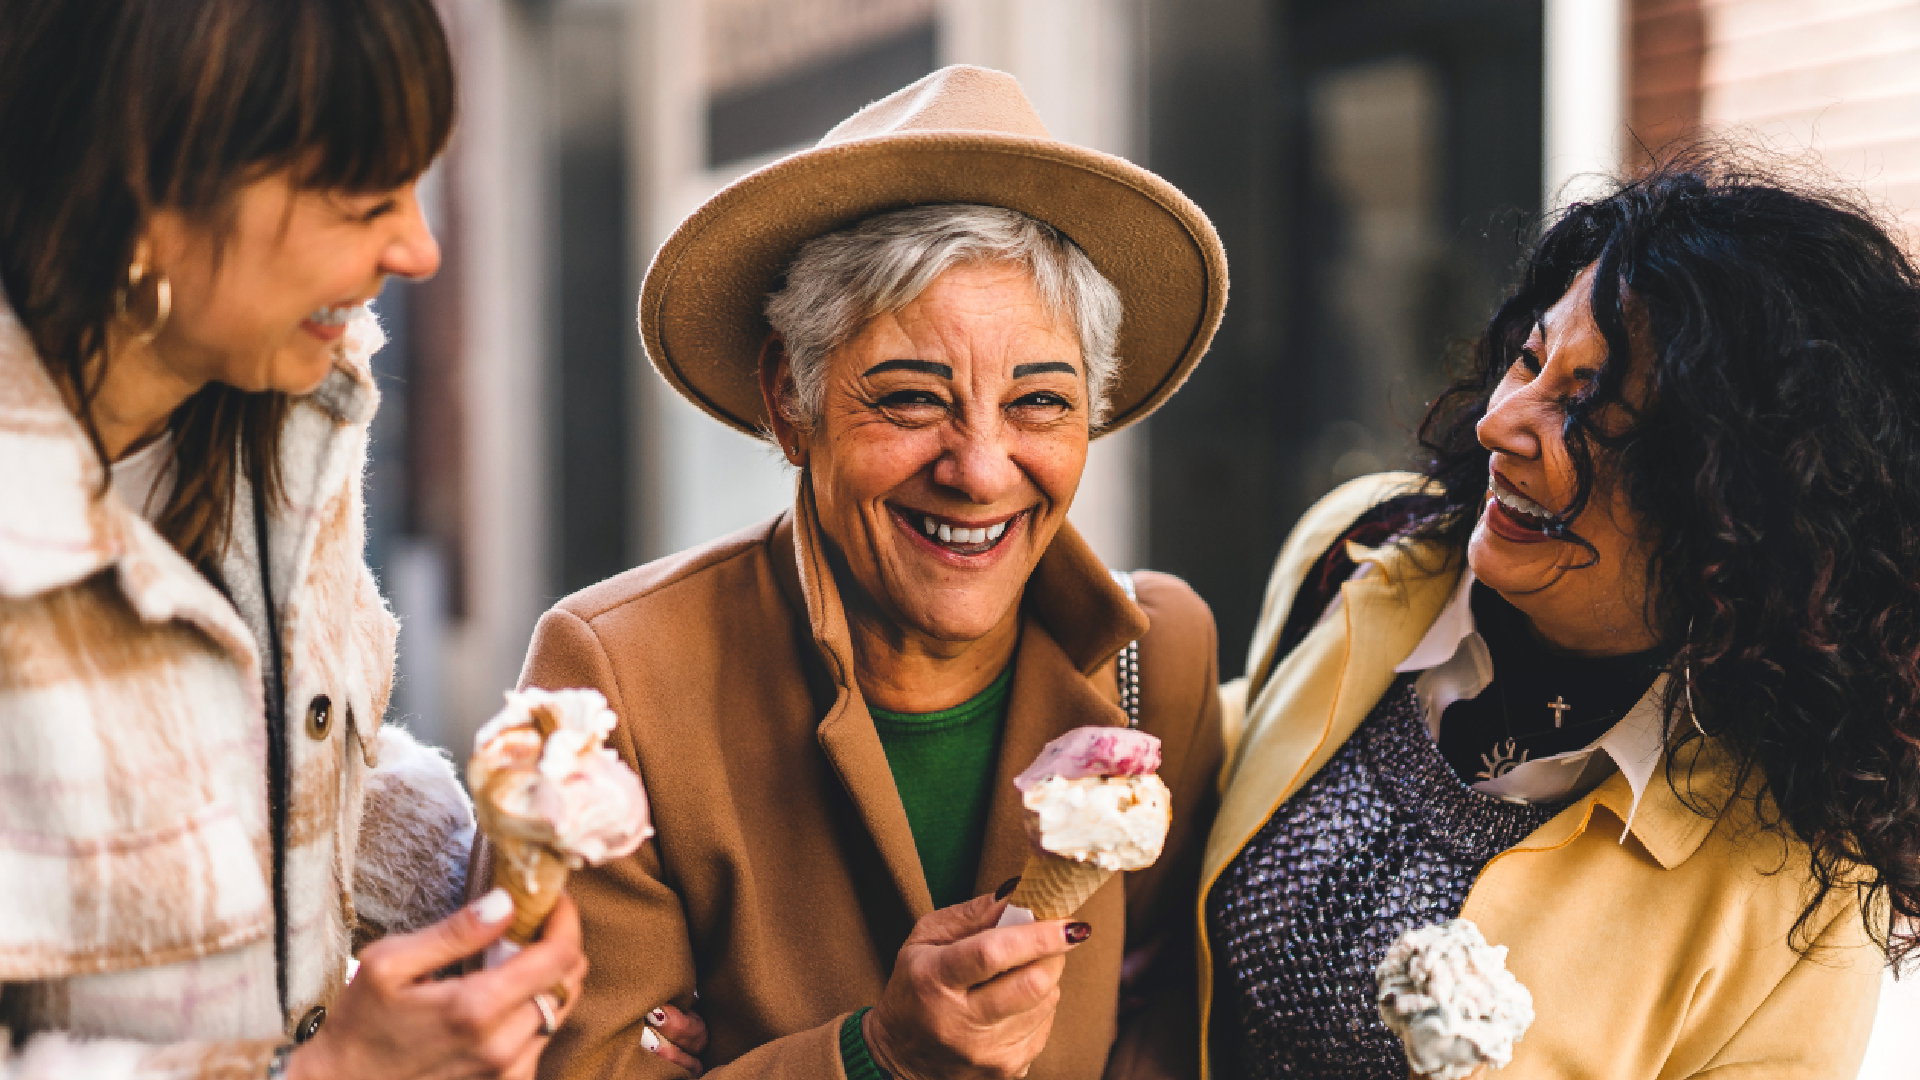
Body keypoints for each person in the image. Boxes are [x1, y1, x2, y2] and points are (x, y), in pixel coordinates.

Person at [521, 66, 1228, 1080]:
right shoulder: (619, 680)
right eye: (907, 399)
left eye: (1039, 403)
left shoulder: (1155, 659)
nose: (981, 470)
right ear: (789, 400)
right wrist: (872, 1052)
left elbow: (1172, 1007)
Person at [1203, 155, 1920, 1078]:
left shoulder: (1798, 892)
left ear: (1735, 510)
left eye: (1592, 415)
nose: (1503, 423)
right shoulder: (1357, 550)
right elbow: (1202, 776)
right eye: (1532, 361)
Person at [0, 2, 586, 1077]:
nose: (419, 248)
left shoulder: (280, 421)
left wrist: (493, 890)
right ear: (150, 190)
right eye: (368, 200)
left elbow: (272, 771)